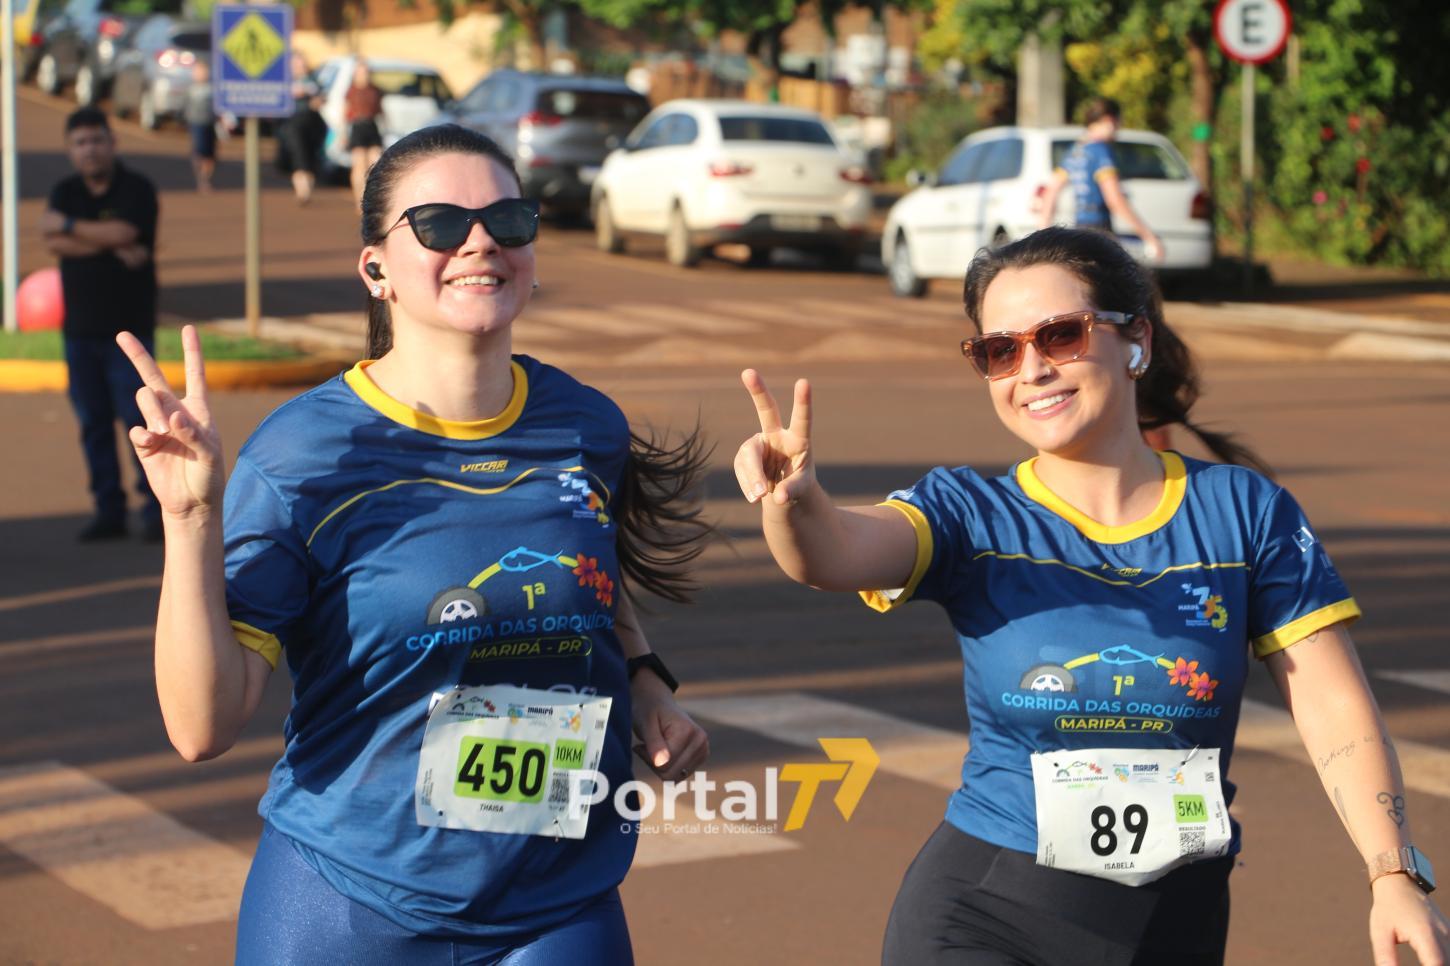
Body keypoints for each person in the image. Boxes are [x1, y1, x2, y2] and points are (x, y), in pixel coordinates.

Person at [732, 227, 1449, 965]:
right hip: (984, 916)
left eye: (1061, 336)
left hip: (1178, 925)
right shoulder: (968, 512)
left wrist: (1394, 873)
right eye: (1000, 351)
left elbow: (1333, 704)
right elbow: (833, 553)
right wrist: (794, 503)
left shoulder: (1245, 512)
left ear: (1134, 338)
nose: (1032, 369)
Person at [116, 124, 711, 964]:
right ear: (376, 269)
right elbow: (199, 726)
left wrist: (648, 683)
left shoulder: (586, 426)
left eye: (508, 219)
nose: (480, 241)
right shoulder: (307, 456)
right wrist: (188, 522)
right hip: (349, 908)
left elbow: (584, 576)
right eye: (438, 223)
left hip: (555, 903)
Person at [41, 106, 162, 543]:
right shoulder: (64, 191)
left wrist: (73, 231)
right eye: (79, 143)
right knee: (92, 424)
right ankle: (108, 510)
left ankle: (155, 512)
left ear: (112, 143)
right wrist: (109, 243)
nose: (89, 149)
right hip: (79, 332)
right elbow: (51, 238)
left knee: (140, 425)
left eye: (96, 140)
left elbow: (125, 233)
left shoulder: (137, 189)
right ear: (70, 151)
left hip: (130, 337)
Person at [1039, 98, 1164, 265]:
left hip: (1080, 227)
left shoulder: (1075, 151)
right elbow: (1114, 199)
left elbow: (1051, 190)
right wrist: (1148, 236)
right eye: (1119, 123)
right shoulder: (1101, 151)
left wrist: (1043, 232)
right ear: (1109, 120)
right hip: (1100, 229)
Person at [276, 51, 326, 205]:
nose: (300, 66)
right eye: (296, 64)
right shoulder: (286, 82)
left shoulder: (314, 81)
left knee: (310, 156)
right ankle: (302, 191)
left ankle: (307, 187)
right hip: (293, 124)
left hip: (312, 123)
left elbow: (322, 99)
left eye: (302, 63)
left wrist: (316, 100)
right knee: (298, 155)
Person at [345, 58, 385, 205]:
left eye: (366, 72)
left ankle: (372, 197)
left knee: (376, 163)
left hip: (372, 126)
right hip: (358, 127)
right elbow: (345, 113)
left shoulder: (375, 90)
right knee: (359, 166)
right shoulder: (351, 91)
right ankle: (359, 200)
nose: (364, 75)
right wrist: (342, 134)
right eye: (361, 72)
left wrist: (386, 128)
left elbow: (381, 111)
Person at [183, 59, 218, 194]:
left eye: (204, 70)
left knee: (210, 154)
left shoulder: (212, 89)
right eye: (198, 71)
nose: (201, 73)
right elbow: (184, 107)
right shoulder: (191, 90)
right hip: (196, 123)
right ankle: (201, 178)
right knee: (199, 151)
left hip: (210, 124)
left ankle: (206, 177)